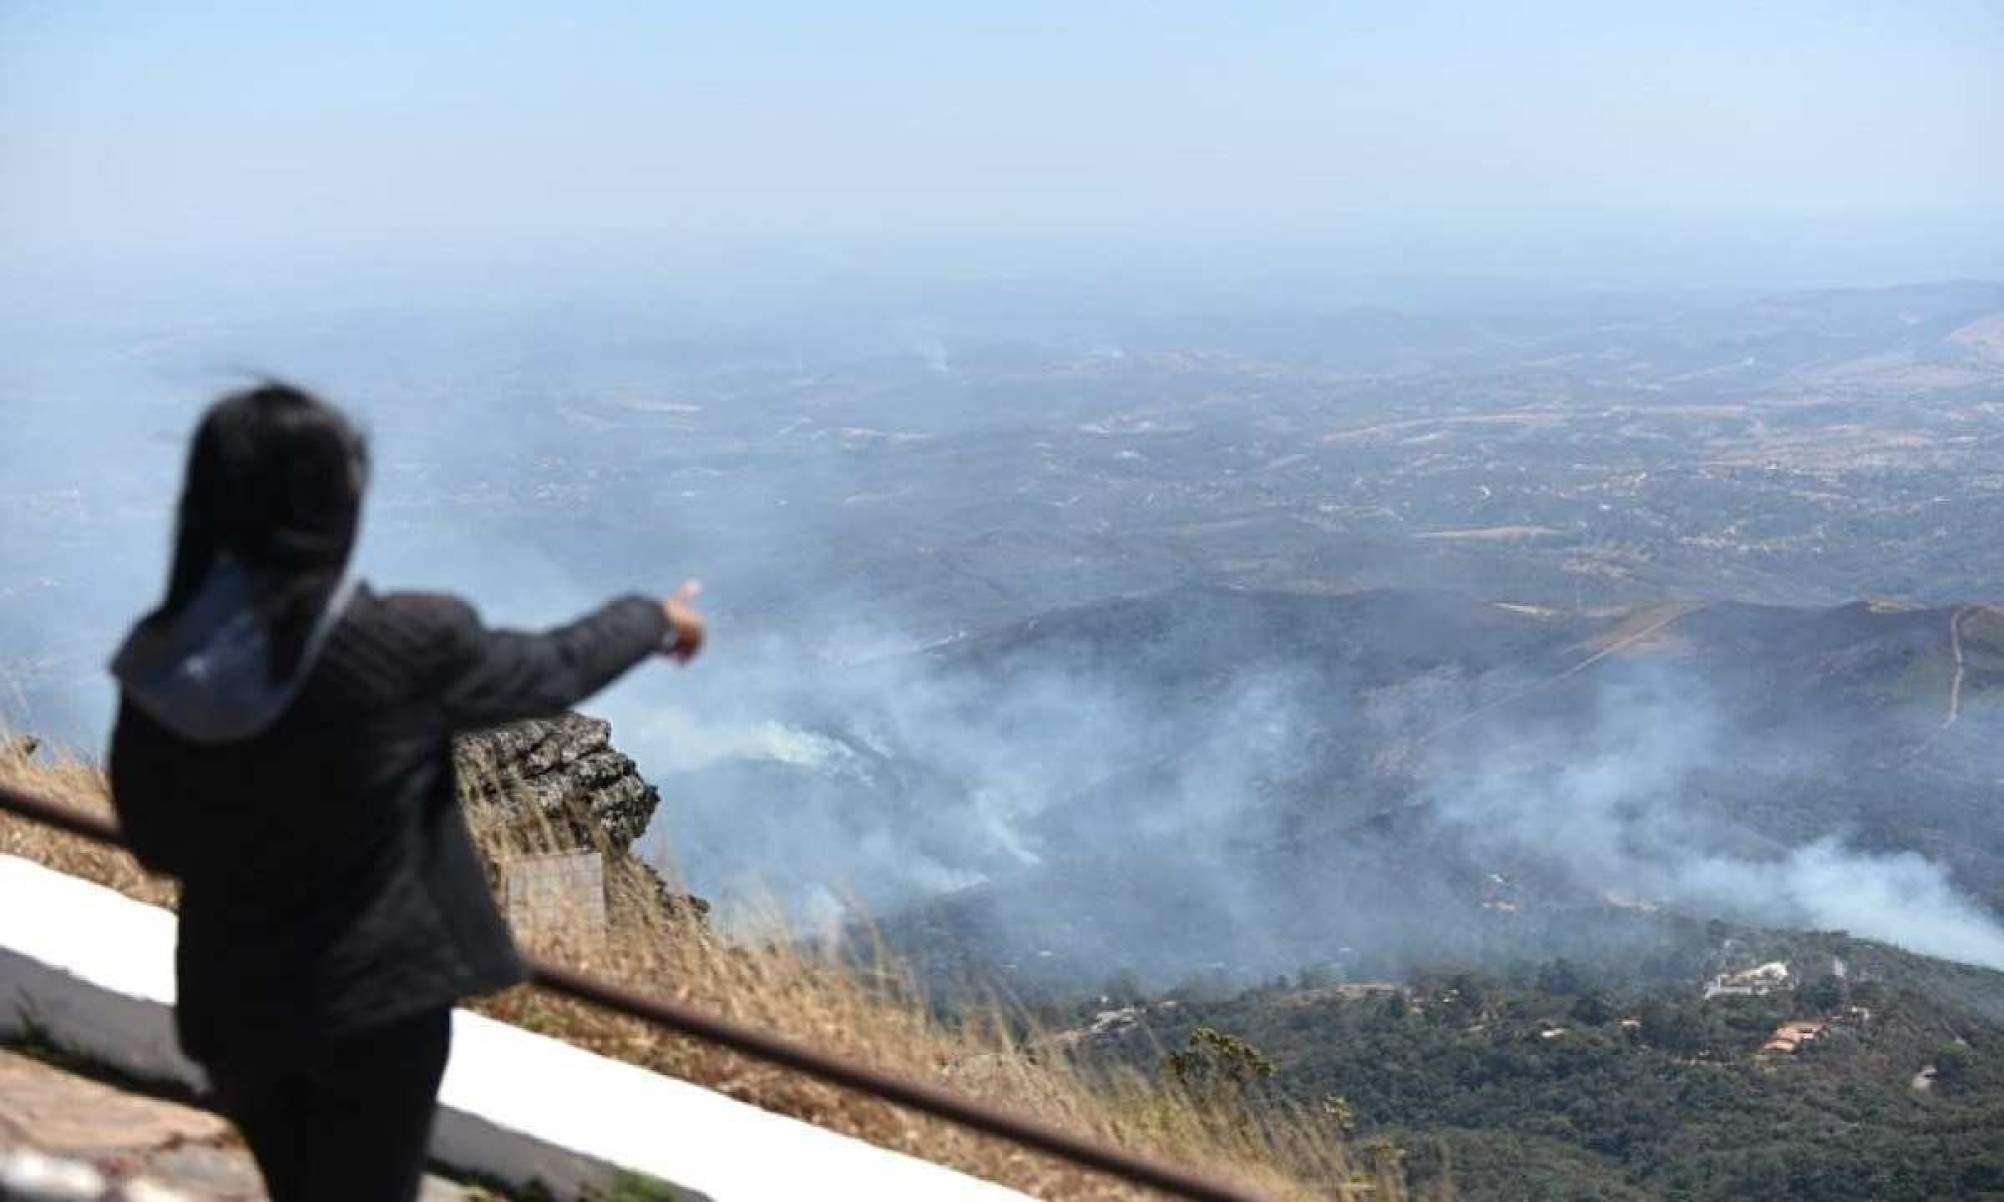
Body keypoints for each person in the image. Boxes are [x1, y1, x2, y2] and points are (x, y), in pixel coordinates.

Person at [106, 382, 704, 1202]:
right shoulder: (401, 645)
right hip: (374, 1011)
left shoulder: (161, 662)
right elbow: (554, 667)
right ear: (331, 510)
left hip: (232, 1007)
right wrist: (656, 619)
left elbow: (155, 842)